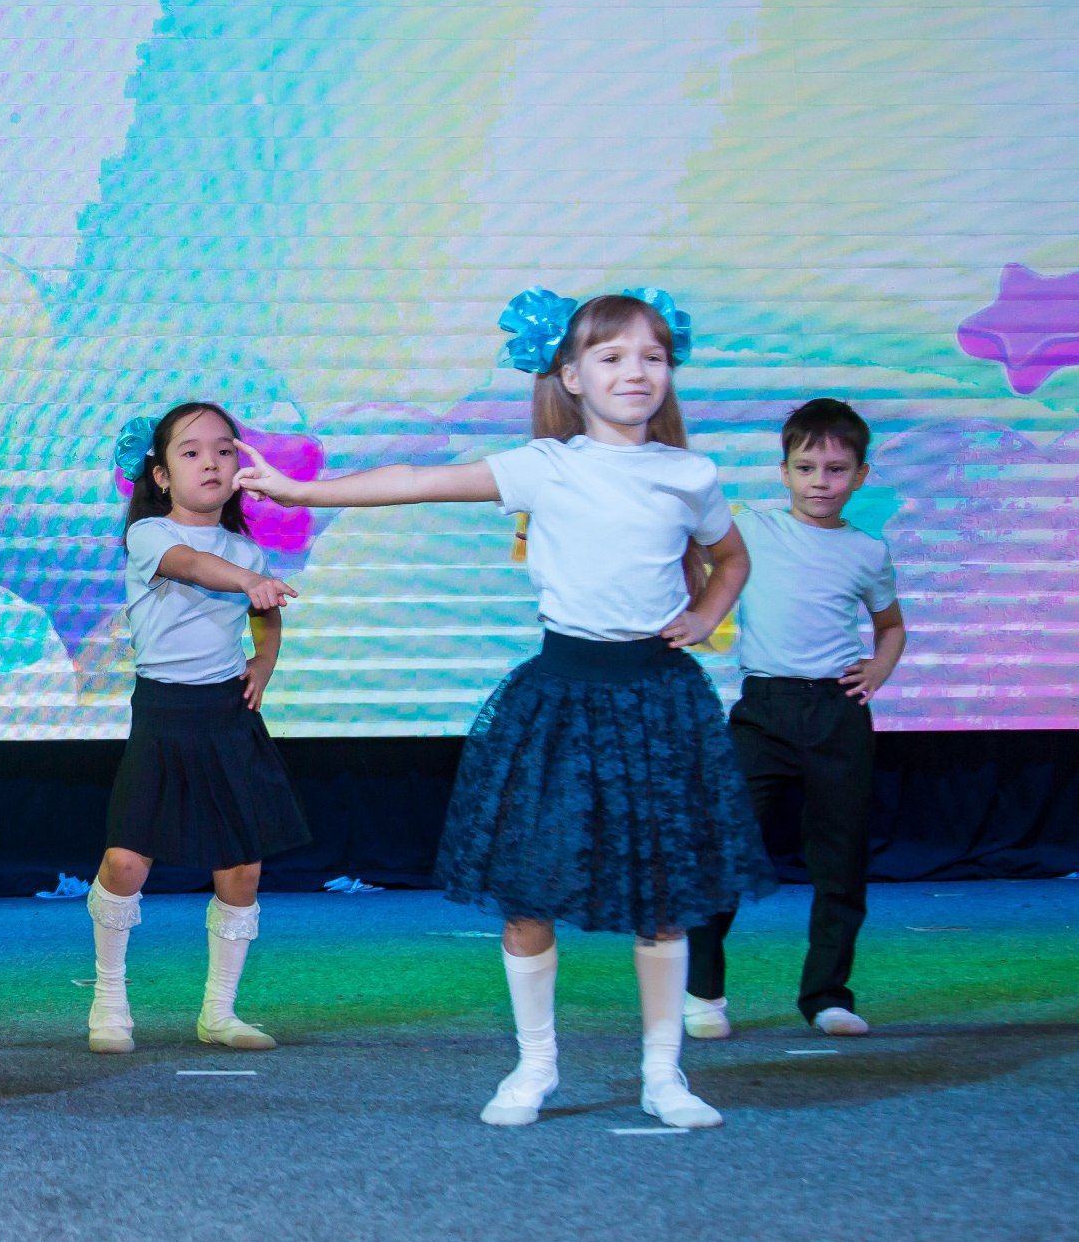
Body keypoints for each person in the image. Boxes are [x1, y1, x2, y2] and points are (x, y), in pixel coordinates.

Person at [237, 288, 773, 1129]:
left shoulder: (690, 475)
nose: (635, 372)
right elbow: (416, 479)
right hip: (561, 699)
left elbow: (731, 558)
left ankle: (662, 1074)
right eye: (612, 356)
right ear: (572, 375)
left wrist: (706, 615)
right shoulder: (543, 465)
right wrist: (302, 493)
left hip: (659, 702)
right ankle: (535, 1064)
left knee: (664, 898)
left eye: (652, 357)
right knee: (527, 892)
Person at [85, 403, 307, 1056]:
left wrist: (264, 660)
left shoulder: (247, 550)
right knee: (126, 861)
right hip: (164, 714)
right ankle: (109, 1002)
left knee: (241, 868)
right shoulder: (150, 535)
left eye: (224, 450)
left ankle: (219, 1012)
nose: (210, 462)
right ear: (159, 474)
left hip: (227, 717)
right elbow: (192, 565)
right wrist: (251, 581)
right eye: (191, 452)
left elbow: (264, 612)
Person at [686, 397, 905, 1041]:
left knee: (841, 859)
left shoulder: (868, 550)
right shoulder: (750, 529)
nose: (820, 483)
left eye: (836, 470)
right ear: (783, 472)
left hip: (838, 713)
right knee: (725, 845)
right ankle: (703, 991)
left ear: (861, 475)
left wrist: (879, 668)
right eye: (806, 468)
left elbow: (891, 626)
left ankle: (827, 996)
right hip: (764, 710)